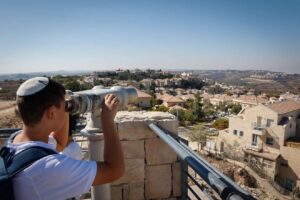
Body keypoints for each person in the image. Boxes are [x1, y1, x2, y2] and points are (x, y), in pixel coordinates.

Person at [6, 77, 124, 200]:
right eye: (64, 107)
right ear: (51, 113)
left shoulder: (15, 141)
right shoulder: (50, 168)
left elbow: (59, 143)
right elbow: (114, 170)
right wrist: (108, 119)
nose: (66, 109)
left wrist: (65, 105)